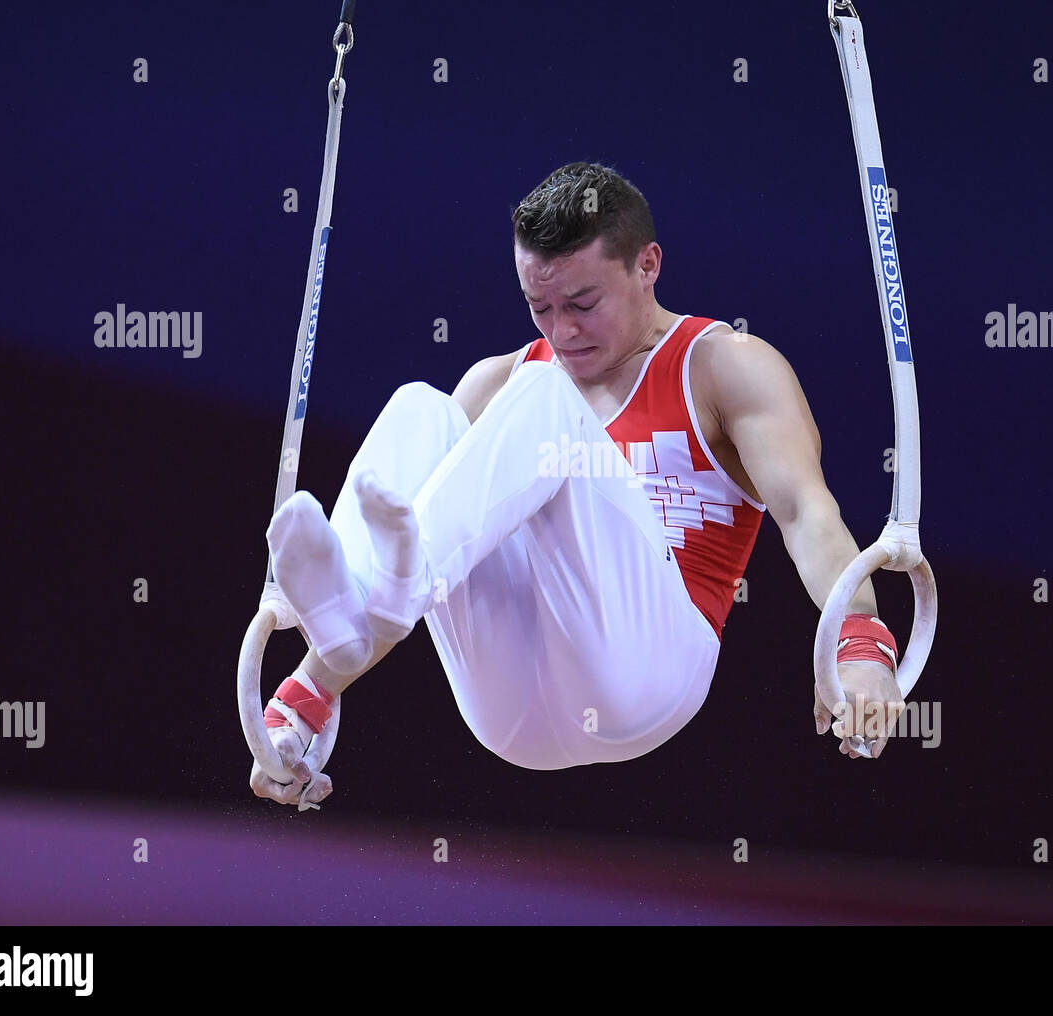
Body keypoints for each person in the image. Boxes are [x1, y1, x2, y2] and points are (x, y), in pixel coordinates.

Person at [251, 162, 903, 808]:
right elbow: (453, 527)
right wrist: (294, 728)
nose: (561, 332)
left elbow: (805, 511)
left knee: (543, 396)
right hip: (508, 712)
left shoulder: (724, 367)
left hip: (646, 677)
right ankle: (336, 651)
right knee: (424, 407)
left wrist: (861, 638)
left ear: (647, 266)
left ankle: (370, 615)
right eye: (542, 307)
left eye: (583, 305)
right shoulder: (500, 384)